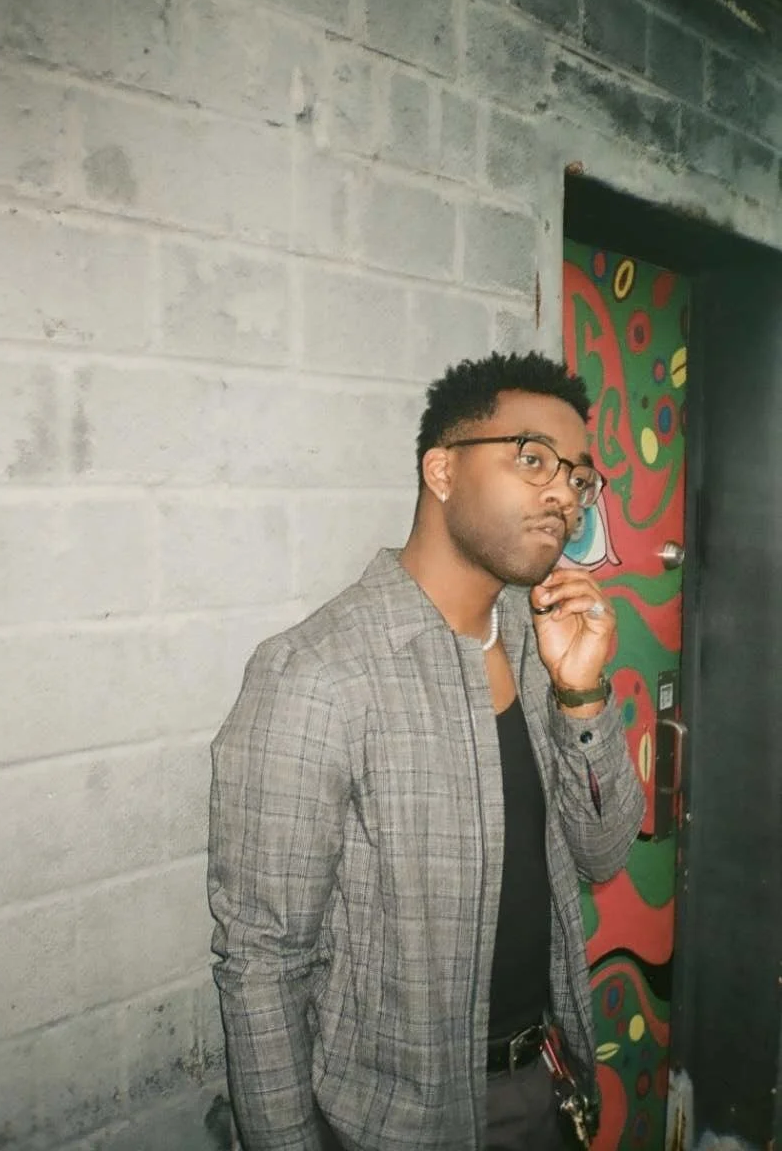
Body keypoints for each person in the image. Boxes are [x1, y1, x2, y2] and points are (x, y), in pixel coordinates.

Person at [207, 350, 645, 1151]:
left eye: (579, 476)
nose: (563, 494)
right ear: (441, 471)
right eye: (533, 458)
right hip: (398, 1124)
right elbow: (262, 964)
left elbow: (604, 850)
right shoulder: (318, 673)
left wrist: (581, 693)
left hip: (547, 1081)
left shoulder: (539, 644)